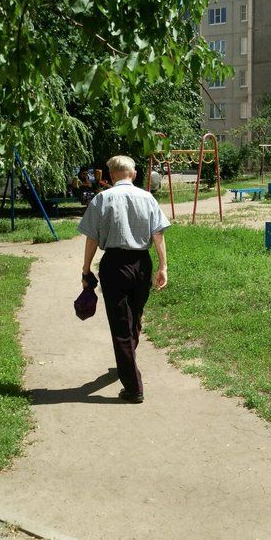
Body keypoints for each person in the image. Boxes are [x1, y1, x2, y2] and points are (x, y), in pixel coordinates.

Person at [78, 155, 170, 403]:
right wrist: (163, 267)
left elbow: (92, 239)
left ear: (109, 176)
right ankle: (128, 360)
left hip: (114, 265)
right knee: (134, 317)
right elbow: (158, 234)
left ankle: (133, 388)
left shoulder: (101, 199)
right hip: (142, 263)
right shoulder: (148, 198)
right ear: (135, 174)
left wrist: (86, 270)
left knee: (121, 325)